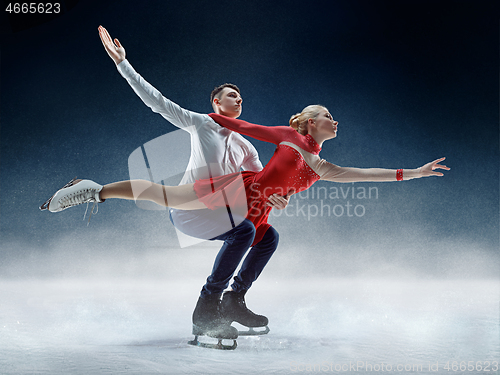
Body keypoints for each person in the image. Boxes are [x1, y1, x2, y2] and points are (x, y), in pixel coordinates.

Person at [41, 26, 291, 345]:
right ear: (216, 102)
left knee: (267, 236)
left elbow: (261, 181)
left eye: (241, 96)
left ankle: (234, 300)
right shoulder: (202, 124)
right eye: (231, 94)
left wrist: (276, 195)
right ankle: (206, 309)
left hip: (218, 210)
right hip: (189, 209)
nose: (238, 98)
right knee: (244, 230)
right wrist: (123, 64)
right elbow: (157, 102)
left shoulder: (246, 146)